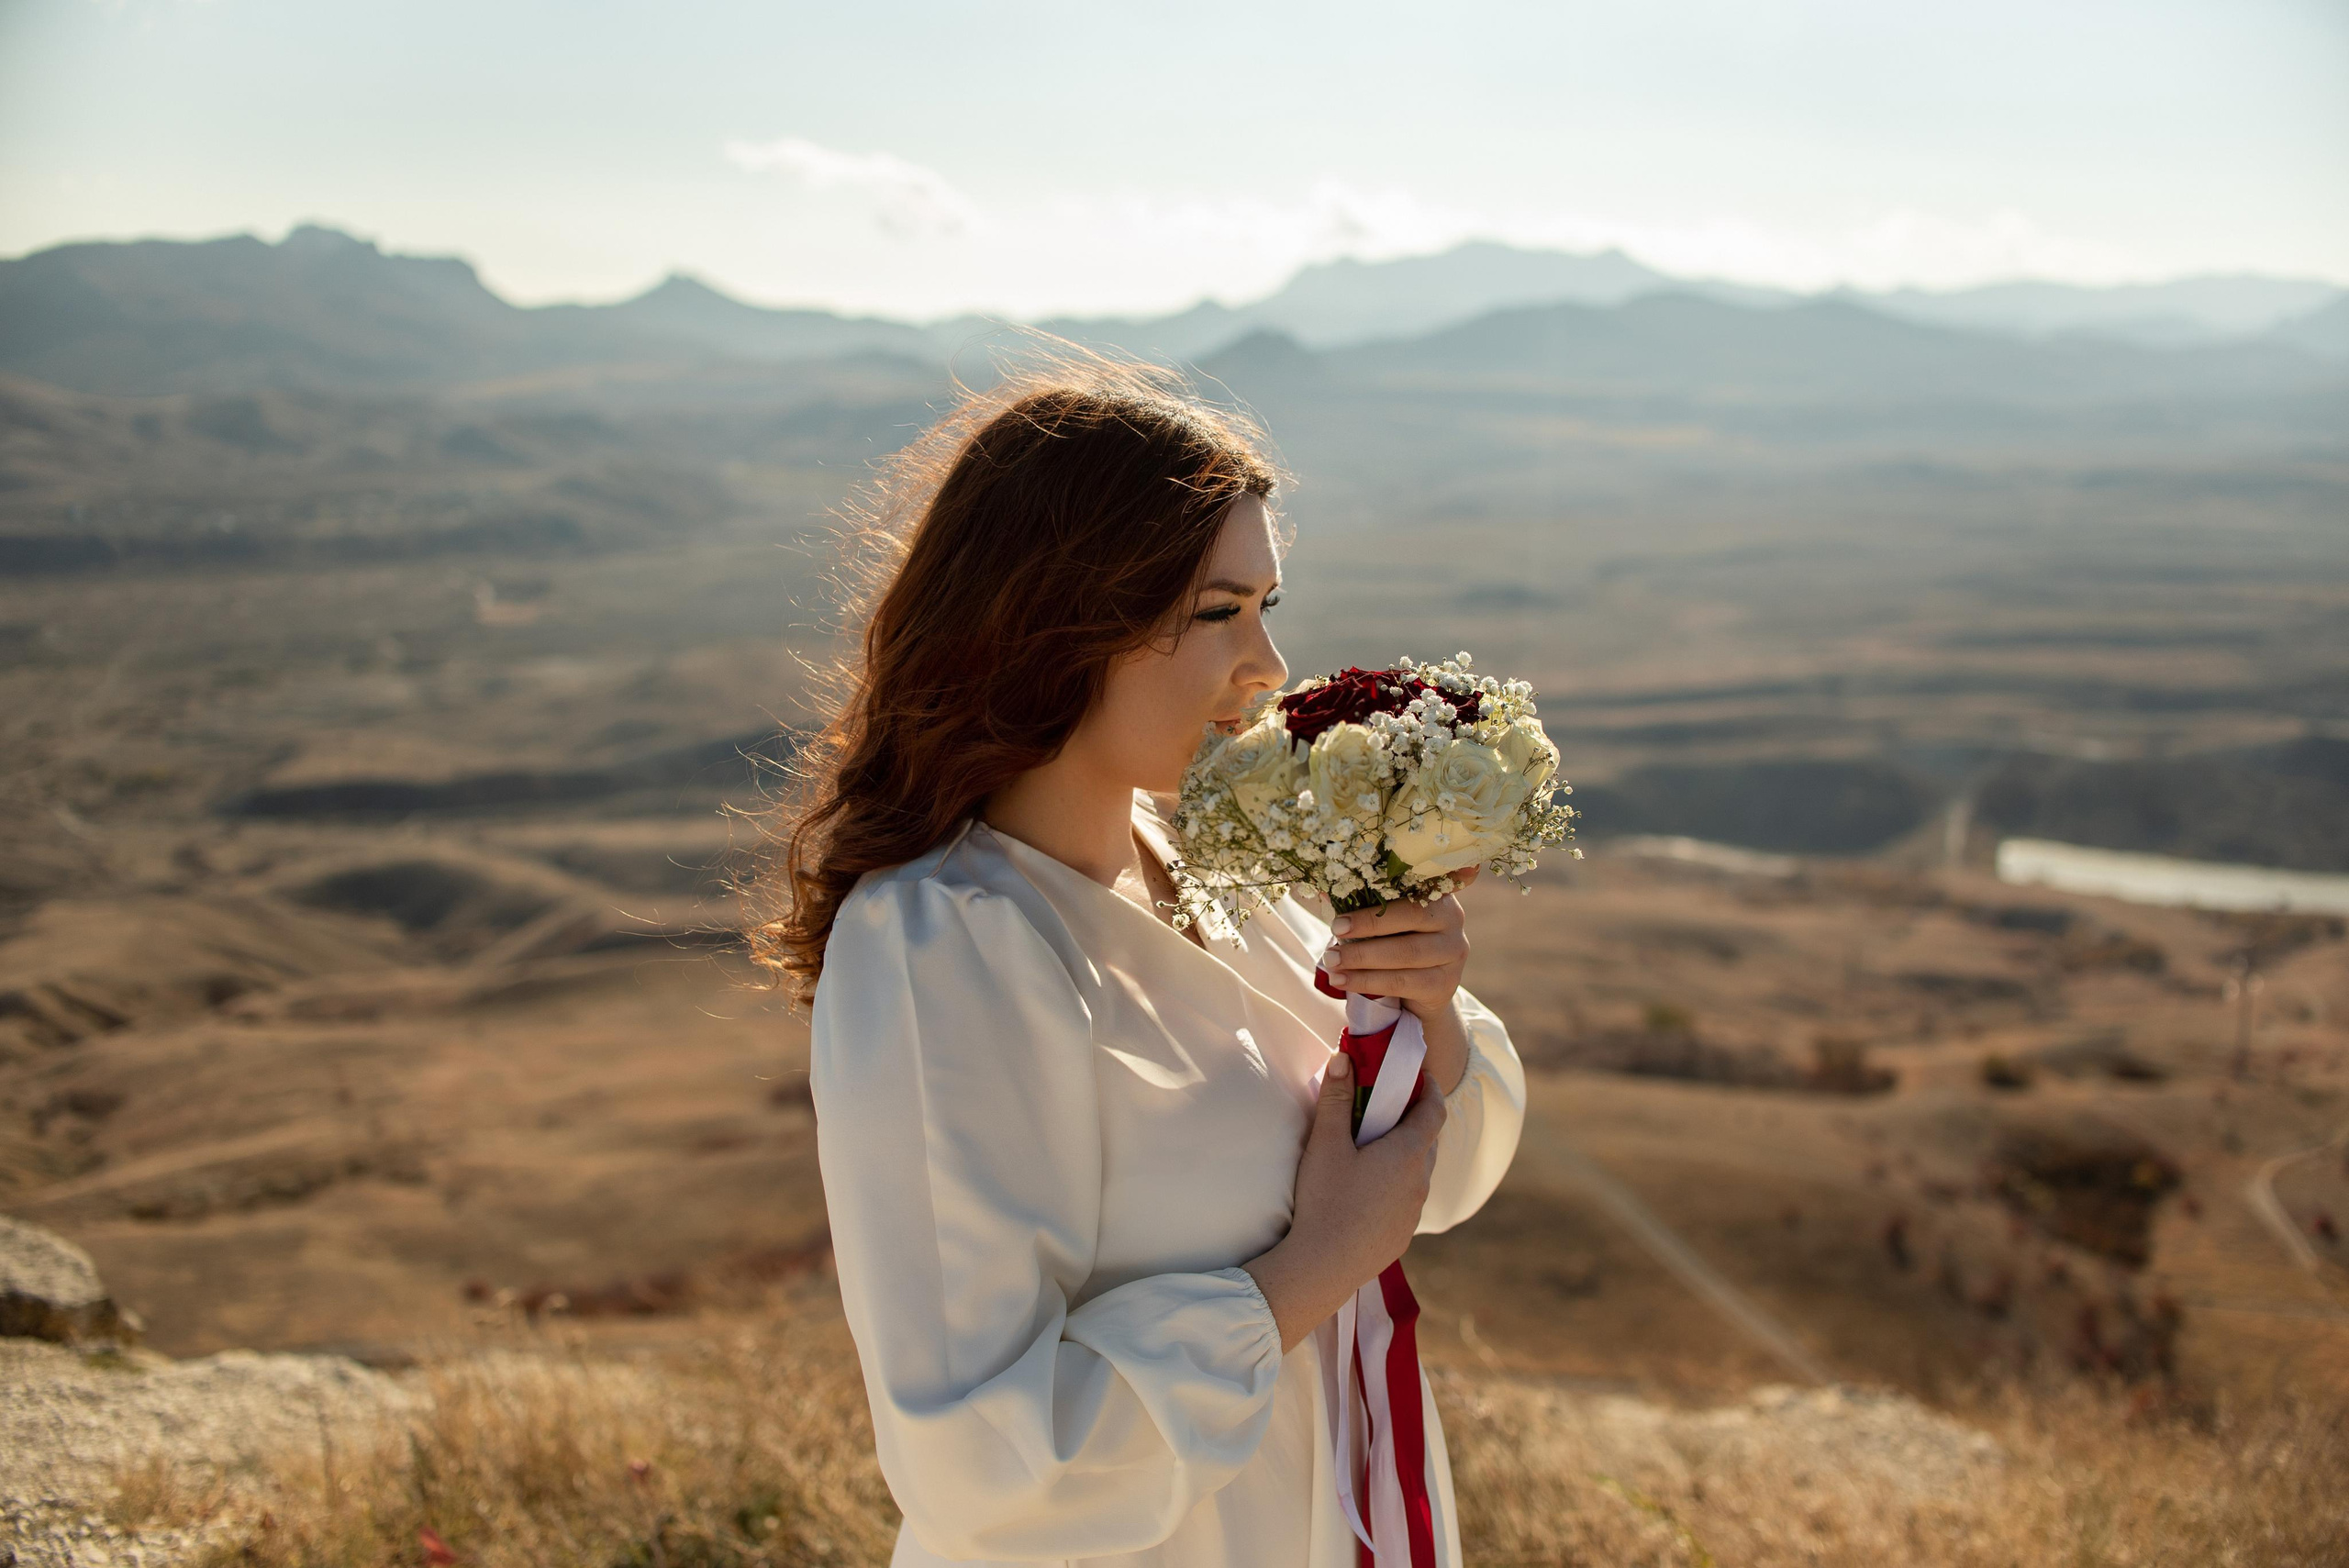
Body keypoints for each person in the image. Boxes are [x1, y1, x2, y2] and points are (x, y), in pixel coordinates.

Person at [746, 351, 1525, 1566]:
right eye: (1219, 612)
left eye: (1268, 606)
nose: (1268, 668)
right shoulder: (943, 948)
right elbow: (987, 1468)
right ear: (1057, 617)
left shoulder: (1212, 865)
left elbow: (1430, 1175)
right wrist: (1314, 1265)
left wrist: (1428, 1012)